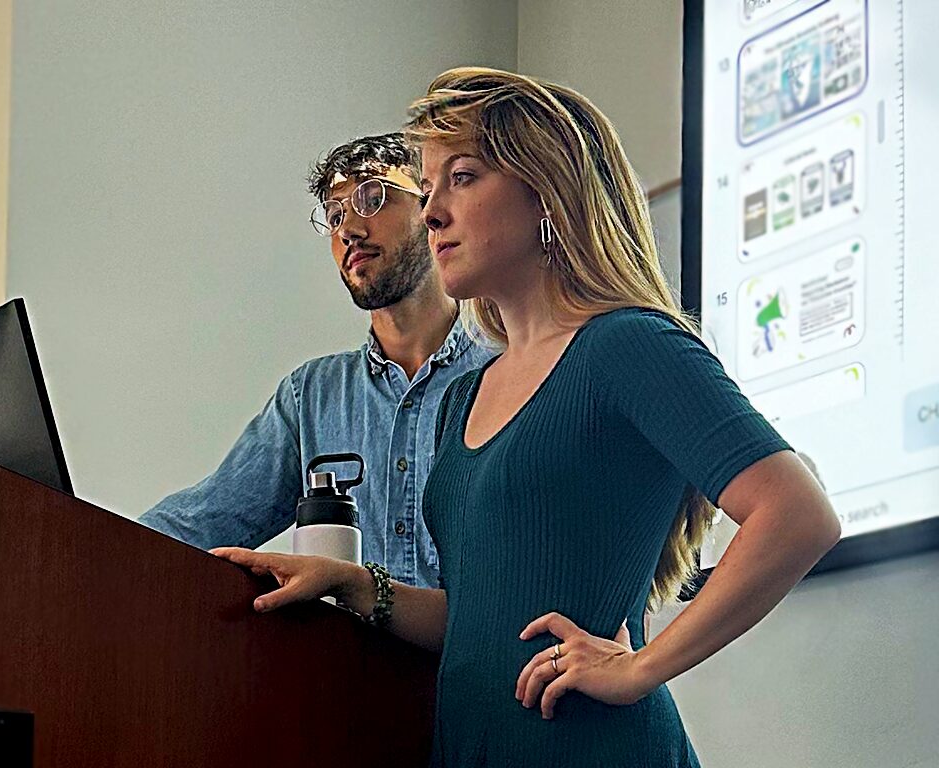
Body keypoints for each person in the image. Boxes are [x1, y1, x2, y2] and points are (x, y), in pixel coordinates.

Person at [212, 68, 841, 767]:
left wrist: (641, 667)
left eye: (464, 177)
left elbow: (799, 515)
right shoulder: (463, 399)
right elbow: (484, 621)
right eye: (430, 185)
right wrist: (360, 586)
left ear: (546, 189)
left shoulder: (627, 343)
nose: (431, 212)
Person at [141, 133, 493, 588]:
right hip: (342, 661)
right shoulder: (309, 397)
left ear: (430, 209)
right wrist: (82, 539)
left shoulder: (509, 370)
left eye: (372, 198)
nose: (349, 230)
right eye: (334, 214)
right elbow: (205, 519)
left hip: (488, 658)